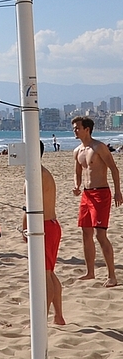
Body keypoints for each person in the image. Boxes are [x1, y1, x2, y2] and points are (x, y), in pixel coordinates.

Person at [72, 116, 121, 288]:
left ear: (87, 129)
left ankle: (112, 275)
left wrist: (117, 192)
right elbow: (78, 173)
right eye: (74, 128)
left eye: (77, 127)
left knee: (101, 235)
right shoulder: (77, 151)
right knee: (85, 233)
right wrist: (76, 186)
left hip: (101, 194)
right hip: (86, 195)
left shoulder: (99, 147)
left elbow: (114, 169)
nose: (75, 130)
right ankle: (90, 272)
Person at [22, 141, 65, 324]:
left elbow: (30, 207)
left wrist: (24, 228)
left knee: (44, 274)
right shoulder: (40, 172)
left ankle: (42, 321)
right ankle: (58, 316)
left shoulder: (37, 175)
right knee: (50, 272)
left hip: (45, 226)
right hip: (51, 225)